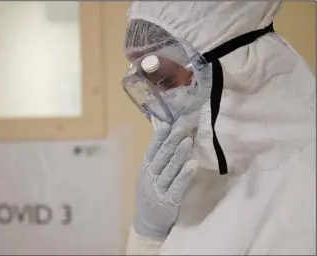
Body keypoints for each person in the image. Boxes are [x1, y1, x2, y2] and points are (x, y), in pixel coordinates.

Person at [122, 1, 316, 255]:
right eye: (148, 83)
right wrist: (148, 235)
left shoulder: (305, 188)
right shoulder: (201, 172)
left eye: (165, 79)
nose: (157, 103)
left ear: (237, 65)